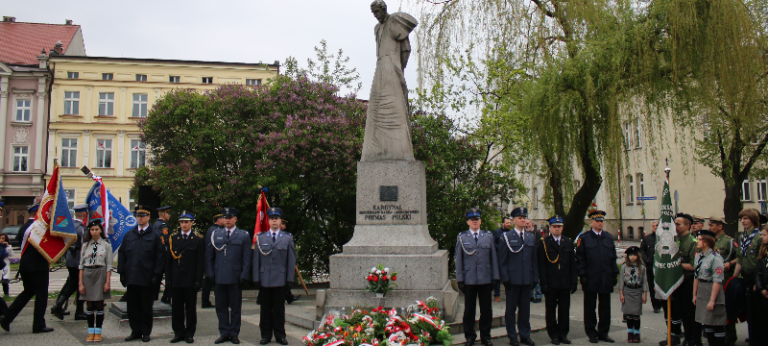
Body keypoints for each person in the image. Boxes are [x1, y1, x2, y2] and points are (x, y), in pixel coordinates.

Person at [362, 0, 418, 161]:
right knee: (376, 107)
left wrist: (398, 67)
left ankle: (400, 150)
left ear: (383, 9)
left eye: (377, 12)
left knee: (396, 105)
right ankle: (377, 149)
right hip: (380, 68)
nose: (376, 16)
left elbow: (406, 47)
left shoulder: (394, 21)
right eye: (373, 14)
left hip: (392, 67)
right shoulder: (377, 29)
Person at [0, 202, 54, 334]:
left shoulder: (23, 227)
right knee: (41, 295)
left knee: (27, 293)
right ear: (38, 212)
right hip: (38, 267)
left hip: (25, 265)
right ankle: (38, 325)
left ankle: (7, 317)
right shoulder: (39, 227)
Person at [118, 205, 164, 342]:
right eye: (138, 215)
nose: (140, 218)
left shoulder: (155, 235)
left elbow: (160, 257)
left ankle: (145, 332)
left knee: (146, 307)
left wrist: (157, 275)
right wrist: (122, 272)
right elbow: (122, 254)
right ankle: (135, 331)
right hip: (132, 276)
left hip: (147, 277)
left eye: (143, 215)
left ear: (149, 217)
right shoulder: (129, 234)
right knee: (132, 307)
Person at [207, 207, 252, 344]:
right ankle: (224, 332)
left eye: (230, 217)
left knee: (235, 307)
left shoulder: (243, 235)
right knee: (220, 306)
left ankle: (234, 333)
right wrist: (210, 273)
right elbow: (209, 256)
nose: (227, 220)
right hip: (219, 275)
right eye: (225, 217)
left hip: (235, 277)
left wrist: (244, 275)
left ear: (235, 219)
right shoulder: (216, 234)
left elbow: (247, 258)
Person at [455, 208, 499, 346]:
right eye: (472, 220)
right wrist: (460, 280)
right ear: (468, 222)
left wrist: (495, 277)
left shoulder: (488, 236)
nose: (475, 222)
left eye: (477, 219)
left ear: (480, 221)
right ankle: (470, 336)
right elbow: (459, 260)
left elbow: (493, 258)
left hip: (485, 278)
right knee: (469, 310)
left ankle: (486, 336)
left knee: (486, 310)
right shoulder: (462, 237)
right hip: (469, 279)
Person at [253, 207, 296, 346]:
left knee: (279, 310)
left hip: (280, 280)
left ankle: (280, 335)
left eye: (276, 219)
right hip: (265, 280)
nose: (274, 221)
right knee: (265, 310)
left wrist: (290, 279)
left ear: (280, 220)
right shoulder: (261, 238)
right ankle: (265, 335)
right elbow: (256, 261)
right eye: (271, 218)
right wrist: (256, 278)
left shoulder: (287, 238)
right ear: (269, 220)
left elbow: (291, 260)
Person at [575, 210, 619, 344]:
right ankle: (591, 332)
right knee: (590, 307)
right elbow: (580, 258)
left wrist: (614, 273)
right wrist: (582, 275)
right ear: (591, 222)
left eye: (602, 221)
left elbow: (613, 257)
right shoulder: (584, 238)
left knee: (605, 307)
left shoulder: (608, 237)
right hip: (591, 277)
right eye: (597, 221)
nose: (600, 223)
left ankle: (603, 332)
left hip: (605, 277)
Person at [498, 207, 538, 346]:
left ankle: (525, 335)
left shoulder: (530, 237)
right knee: (510, 310)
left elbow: (534, 260)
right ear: (514, 220)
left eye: (524, 218)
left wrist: (534, 278)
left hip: (526, 279)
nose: (522, 220)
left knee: (525, 310)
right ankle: (512, 336)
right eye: (519, 218)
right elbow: (502, 260)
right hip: (512, 280)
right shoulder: (507, 237)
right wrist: (505, 278)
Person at [537, 215, 577, 345]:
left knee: (564, 309)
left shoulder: (568, 242)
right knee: (551, 310)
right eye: (554, 227)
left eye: (559, 227)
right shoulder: (544, 242)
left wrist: (574, 281)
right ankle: (553, 334)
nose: (557, 229)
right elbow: (541, 265)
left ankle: (563, 334)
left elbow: (572, 263)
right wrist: (543, 283)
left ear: (562, 228)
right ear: (550, 228)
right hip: (551, 282)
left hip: (565, 281)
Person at [167, 211, 205, 344]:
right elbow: (169, 262)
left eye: (186, 222)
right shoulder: (174, 239)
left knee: (190, 309)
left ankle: (189, 333)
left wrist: (198, 280)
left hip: (190, 280)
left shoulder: (198, 240)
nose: (184, 224)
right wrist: (168, 280)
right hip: (176, 279)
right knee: (176, 308)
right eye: (182, 222)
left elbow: (200, 263)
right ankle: (178, 332)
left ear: (192, 223)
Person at [666, 213, 701, 346]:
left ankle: (695, 339)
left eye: (678, 224)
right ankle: (687, 337)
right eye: (674, 224)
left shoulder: (693, 243)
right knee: (682, 313)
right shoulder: (676, 241)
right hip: (677, 282)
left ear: (688, 226)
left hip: (688, 282)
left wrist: (675, 264)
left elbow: (694, 265)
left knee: (690, 313)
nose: (675, 226)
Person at [732, 208, 763, 346]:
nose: (742, 221)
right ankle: (752, 336)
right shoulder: (742, 237)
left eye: (745, 218)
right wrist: (734, 277)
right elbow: (740, 259)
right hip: (745, 276)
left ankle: (759, 338)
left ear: (753, 220)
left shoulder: (759, 236)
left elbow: (760, 260)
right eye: (741, 219)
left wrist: (759, 280)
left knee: (758, 310)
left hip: (756, 276)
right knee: (748, 309)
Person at [52, 204, 88, 320]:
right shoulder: (82, 229)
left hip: (70, 258)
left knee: (74, 284)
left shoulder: (70, 226)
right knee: (76, 284)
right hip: (78, 260)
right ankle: (58, 305)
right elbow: (85, 245)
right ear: (84, 214)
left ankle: (79, 311)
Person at [79, 219, 113, 343]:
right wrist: (80, 283)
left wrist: (107, 282)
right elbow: (81, 266)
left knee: (99, 304)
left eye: (96, 229)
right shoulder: (85, 245)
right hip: (88, 274)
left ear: (100, 230)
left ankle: (98, 331)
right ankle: (90, 331)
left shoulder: (106, 245)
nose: (94, 232)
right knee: (89, 304)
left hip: (100, 273)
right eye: (92, 230)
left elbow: (109, 265)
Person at [692, 229, 727, 346]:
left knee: (716, 322)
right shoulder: (698, 257)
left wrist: (712, 300)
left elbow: (717, 280)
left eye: (700, 239)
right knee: (706, 322)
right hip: (702, 290)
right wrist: (694, 294)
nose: (697, 241)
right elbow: (696, 276)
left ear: (707, 242)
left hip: (712, 290)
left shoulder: (715, 258)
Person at [709, 216, 738, 346]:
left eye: (712, 225)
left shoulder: (729, 241)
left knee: (726, 305)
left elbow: (739, 257)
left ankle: (730, 335)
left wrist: (730, 264)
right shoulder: (711, 241)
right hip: (713, 277)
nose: (709, 228)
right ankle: (719, 331)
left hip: (725, 277)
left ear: (720, 226)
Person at [620, 246, 647, 343]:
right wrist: (621, 294)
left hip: (637, 291)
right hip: (628, 291)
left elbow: (644, 281)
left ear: (638, 256)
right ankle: (630, 333)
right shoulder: (624, 266)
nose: (633, 257)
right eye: (631, 255)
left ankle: (637, 334)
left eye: (635, 255)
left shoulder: (642, 267)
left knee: (636, 315)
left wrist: (645, 294)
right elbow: (621, 281)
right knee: (629, 316)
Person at [201, 213, 225, 309]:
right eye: (223, 218)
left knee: (210, 282)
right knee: (211, 282)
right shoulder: (214, 230)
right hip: (213, 260)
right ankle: (206, 301)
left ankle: (206, 300)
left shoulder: (213, 229)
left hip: (212, 260)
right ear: (218, 220)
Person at [639, 220, 662, 313]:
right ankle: (656, 305)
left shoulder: (664, 238)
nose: (655, 227)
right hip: (650, 266)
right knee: (652, 286)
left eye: (657, 225)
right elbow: (641, 251)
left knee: (661, 286)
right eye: (654, 225)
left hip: (661, 267)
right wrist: (646, 260)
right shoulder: (647, 238)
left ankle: (663, 303)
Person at [753, 226, 768, 345]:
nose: (761, 237)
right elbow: (758, 271)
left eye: (764, 235)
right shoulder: (763, 251)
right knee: (762, 317)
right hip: (764, 290)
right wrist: (761, 288)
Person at [154, 205, 172, 303]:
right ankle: (165, 299)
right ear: (164, 214)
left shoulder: (155, 224)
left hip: (158, 256)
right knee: (169, 279)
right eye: (169, 214)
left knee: (156, 280)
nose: (170, 216)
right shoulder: (163, 225)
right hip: (164, 256)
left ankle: (155, 300)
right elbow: (166, 241)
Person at [492, 217, 512, 302]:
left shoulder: (511, 233)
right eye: (507, 223)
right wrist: (501, 247)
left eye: (510, 223)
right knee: (498, 278)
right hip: (499, 258)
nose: (509, 224)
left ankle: (509, 294)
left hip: (509, 259)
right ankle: (497, 295)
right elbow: (492, 244)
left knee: (509, 276)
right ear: (503, 224)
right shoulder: (496, 232)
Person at [525, 220, 544, 304]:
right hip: (528, 260)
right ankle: (530, 295)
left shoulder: (537, 234)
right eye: (525, 224)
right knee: (529, 278)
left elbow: (538, 245)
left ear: (532, 224)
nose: (527, 225)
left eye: (528, 224)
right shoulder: (524, 234)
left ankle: (538, 295)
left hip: (537, 259)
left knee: (537, 278)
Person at [0, 233, 13, 297]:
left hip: (5, 265)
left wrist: (8, 246)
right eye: (0, 238)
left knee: (5, 281)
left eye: (3, 238)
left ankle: (6, 294)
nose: (1, 240)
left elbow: (11, 254)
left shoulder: (7, 247)